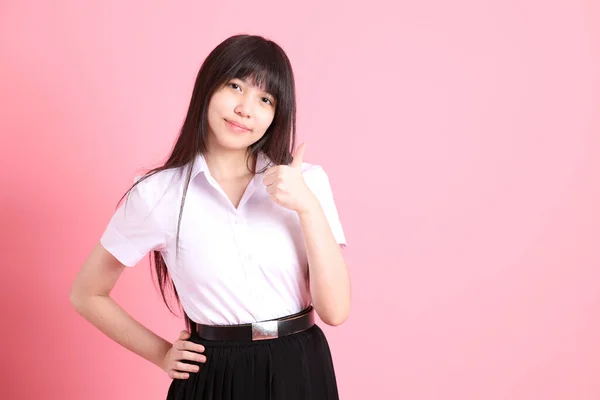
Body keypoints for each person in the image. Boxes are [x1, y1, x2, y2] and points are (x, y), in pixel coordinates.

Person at [70, 34, 350, 399]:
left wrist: (307, 206)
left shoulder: (306, 183)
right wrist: (161, 354)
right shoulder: (158, 194)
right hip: (213, 372)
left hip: (298, 365)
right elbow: (87, 293)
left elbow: (335, 311)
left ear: (276, 114)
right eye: (235, 86)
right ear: (208, 87)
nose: (245, 108)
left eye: (265, 99)